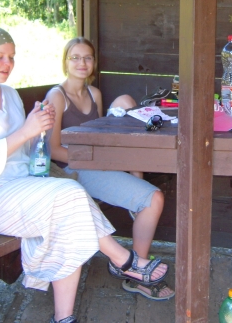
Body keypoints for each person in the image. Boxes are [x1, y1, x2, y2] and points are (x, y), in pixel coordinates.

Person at [0, 24, 170, 323]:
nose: (8, 64)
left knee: (67, 214)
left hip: (22, 186)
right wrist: (28, 130)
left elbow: (25, 151)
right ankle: (123, 260)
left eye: (12, 57)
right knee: (69, 195)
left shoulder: (9, 95)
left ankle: (64, 318)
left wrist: (40, 129)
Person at [45, 37, 175, 301]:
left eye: (87, 57)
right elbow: (52, 150)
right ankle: (137, 272)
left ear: (94, 62)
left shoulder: (94, 94)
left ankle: (135, 269)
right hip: (69, 171)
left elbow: (98, 135)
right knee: (153, 198)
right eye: (75, 57)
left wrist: (105, 158)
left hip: (95, 165)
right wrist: (93, 160)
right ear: (65, 62)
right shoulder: (57, 96)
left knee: (154, 196)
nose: (82, 63)